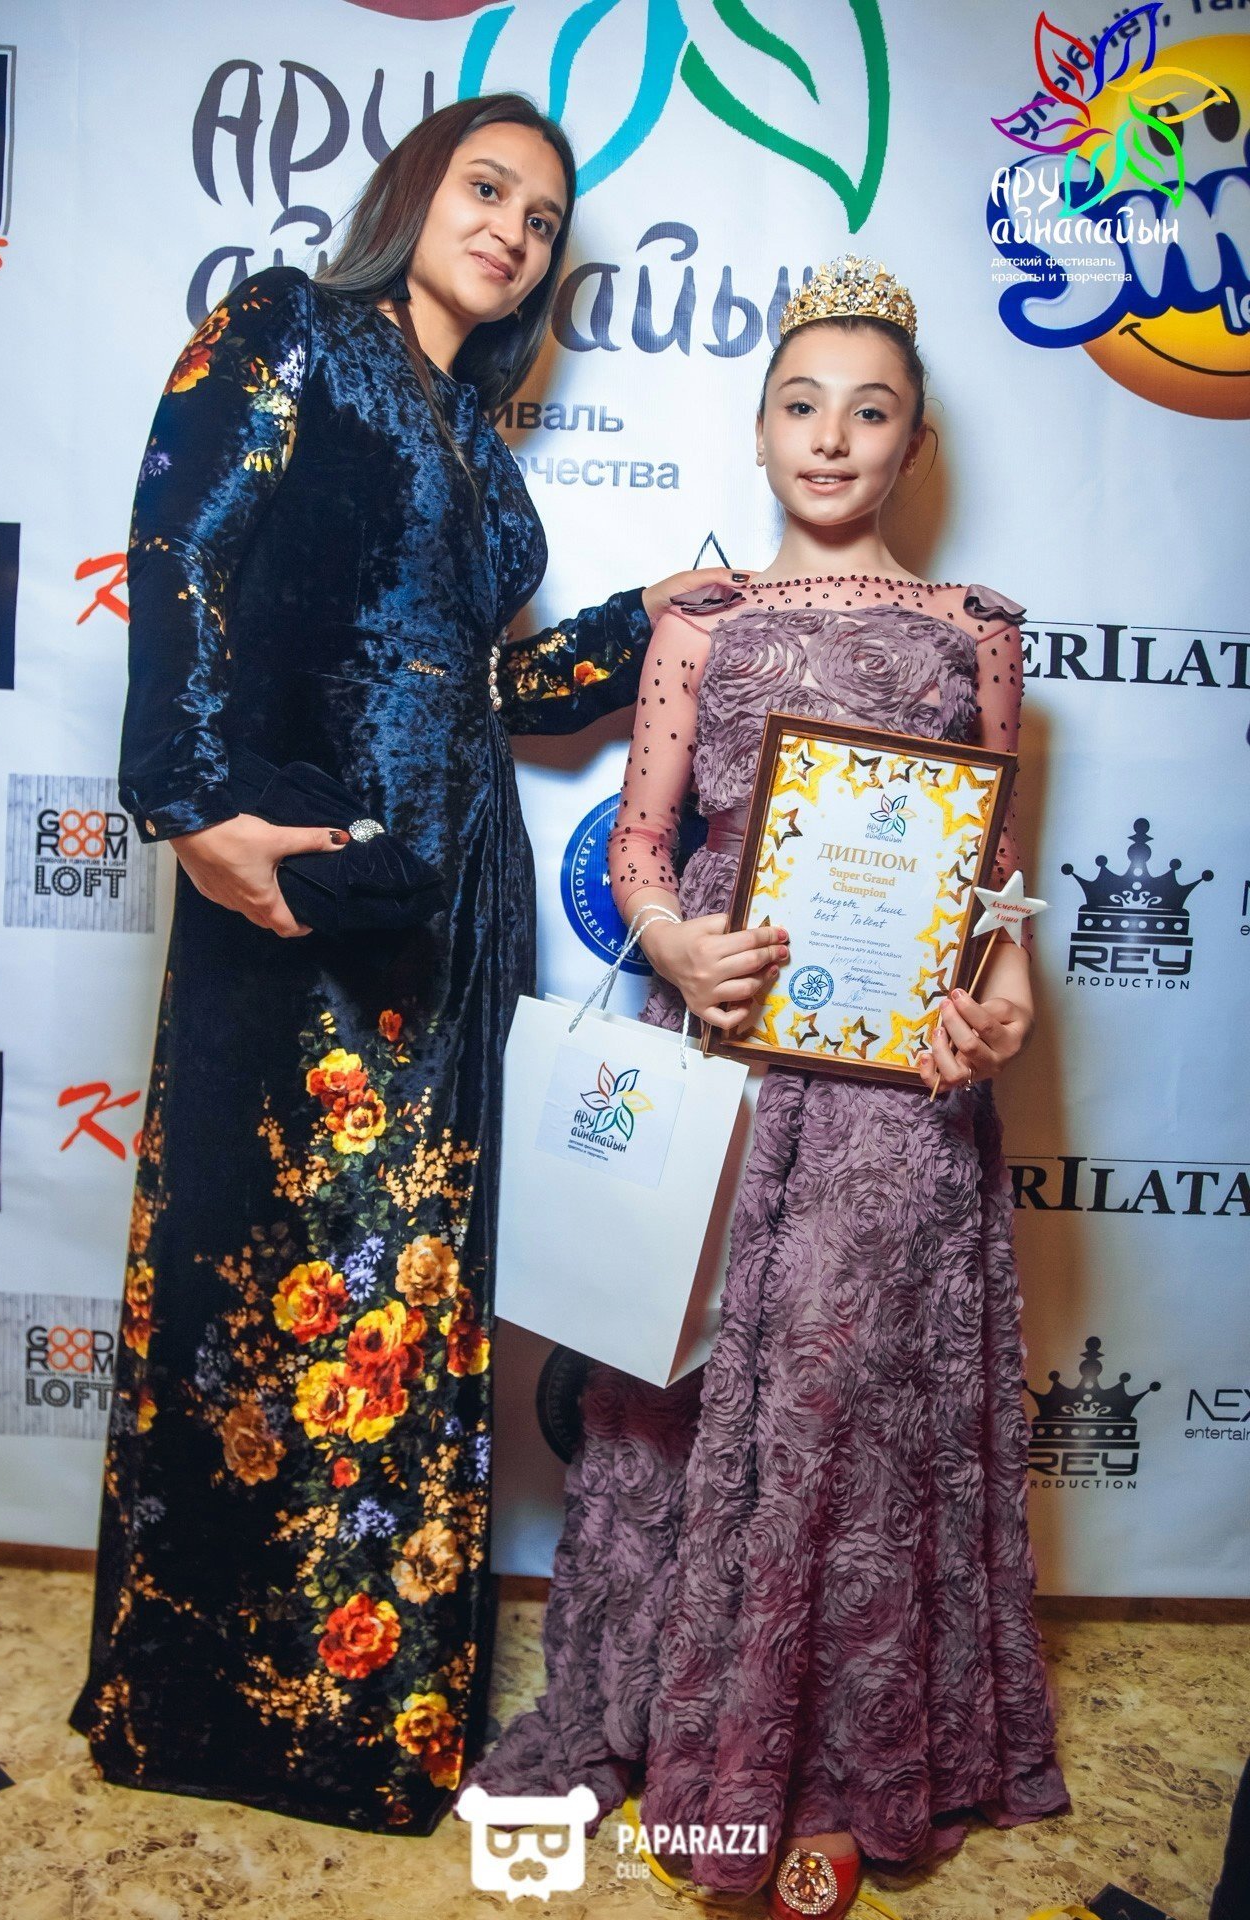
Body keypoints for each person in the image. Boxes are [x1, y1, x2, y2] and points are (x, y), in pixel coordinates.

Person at [69, 92, 731, 1835]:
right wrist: (189, 806)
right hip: (306, 881)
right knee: (250, 1272)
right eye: (486, 187)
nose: (511, 227)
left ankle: (371, 1710)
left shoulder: (472, 442)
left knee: (409, 1297)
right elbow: (182, 553)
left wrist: (645, 625)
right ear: (416, 191)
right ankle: (208, 1699)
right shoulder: (290, 325)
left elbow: (480, 685)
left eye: (542, 217)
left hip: (456, 906)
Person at [460, 257, 1070, 1913]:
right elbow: (642, 844)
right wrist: (672, 941)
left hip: (894, 1090)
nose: (832, 437)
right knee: (688, 1392)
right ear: (757, 427)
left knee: (846, 1403)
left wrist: (1007, 988)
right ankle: (688, 1732)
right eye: (803, 404)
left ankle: (828, 1762)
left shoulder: (978, 633)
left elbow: (996, 871)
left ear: (914, 445)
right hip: (721, 1062)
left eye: (871, 412)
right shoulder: (698, 624)